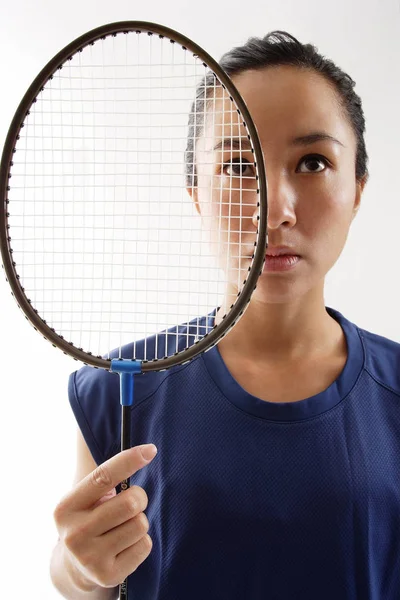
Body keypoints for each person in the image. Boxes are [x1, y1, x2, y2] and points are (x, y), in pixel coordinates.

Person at [50, 31, 400, 600]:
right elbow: (79, 575)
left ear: (358, 188)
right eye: (239, 165)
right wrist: (81, 569)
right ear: (195, 192)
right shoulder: (121, 386)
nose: (276, 209)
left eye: (312, 162)